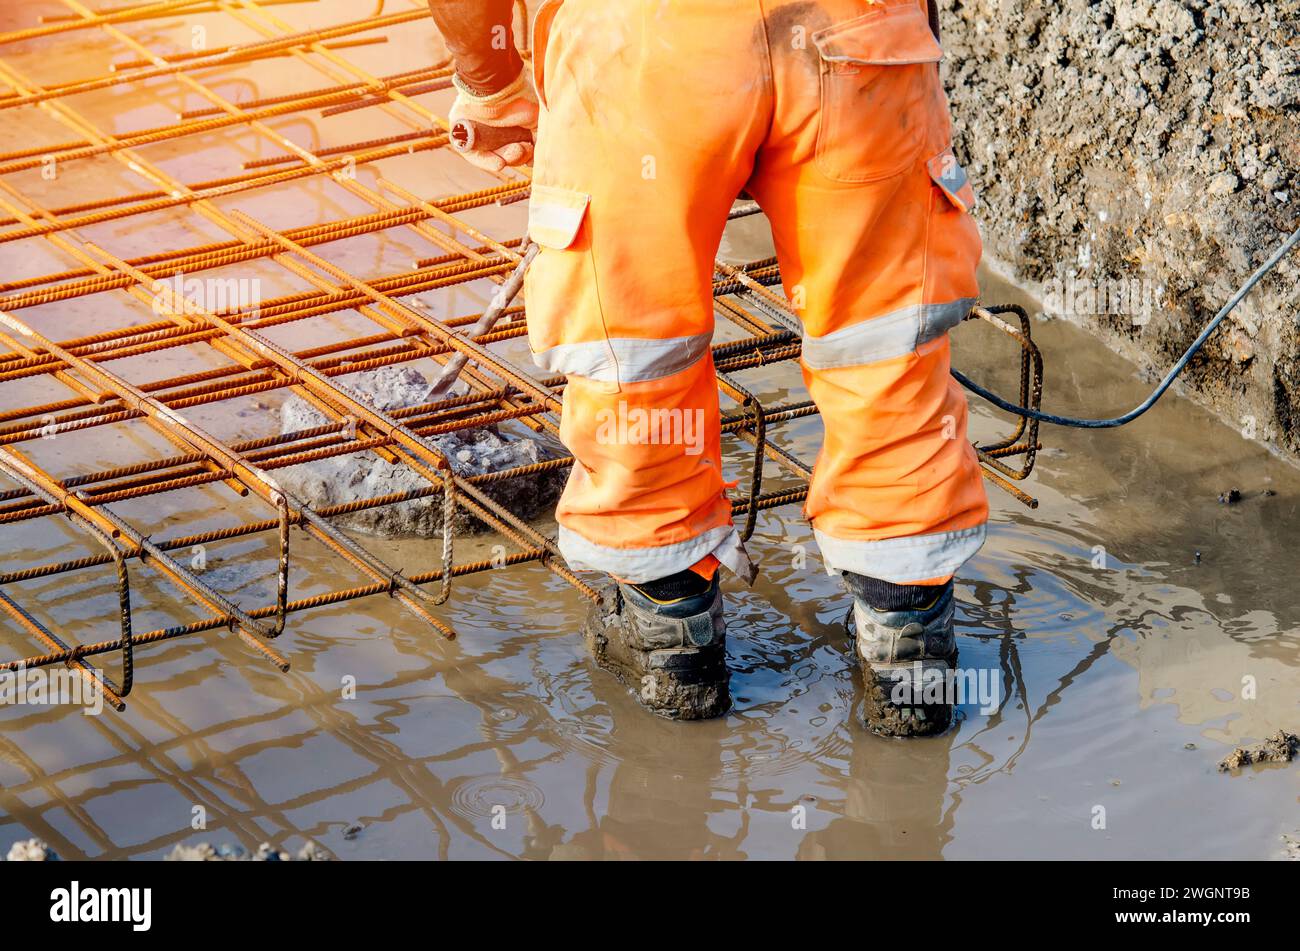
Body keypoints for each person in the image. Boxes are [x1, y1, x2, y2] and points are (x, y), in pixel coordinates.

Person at [427, 0, 987, 735]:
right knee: (883, 339)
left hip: (644, 44)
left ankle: (671, 638)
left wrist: (492, 78)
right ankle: (906, 644)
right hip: (854, 28)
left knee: (634, 348)